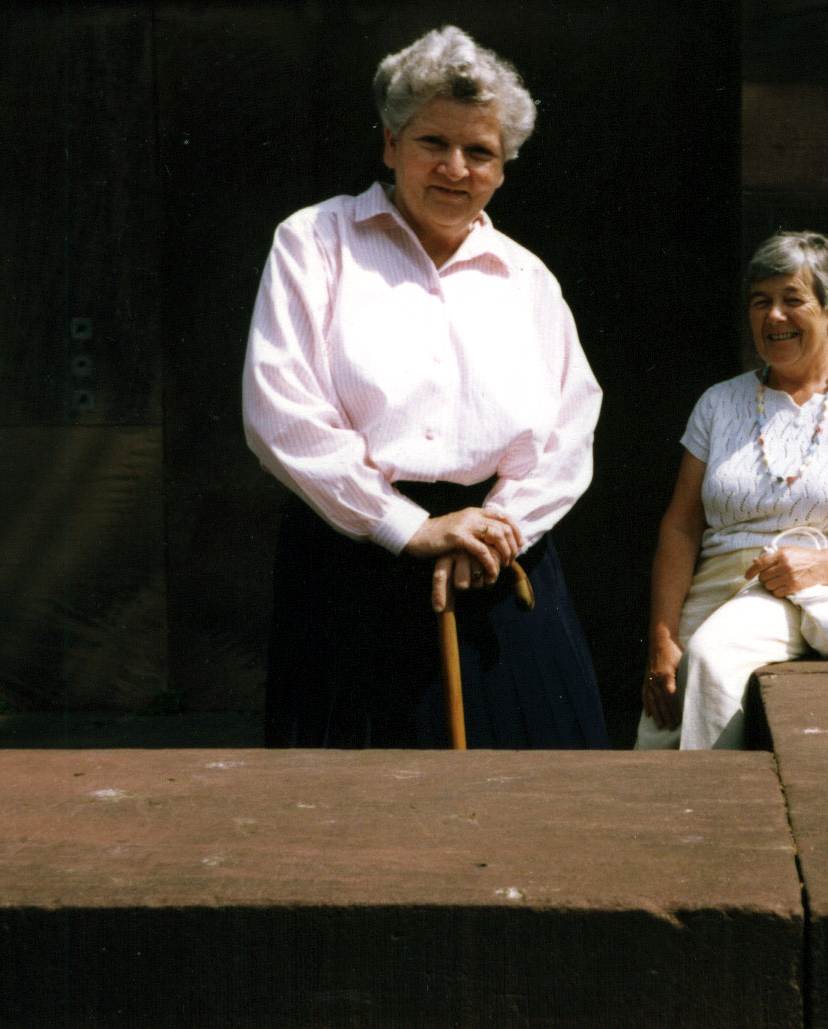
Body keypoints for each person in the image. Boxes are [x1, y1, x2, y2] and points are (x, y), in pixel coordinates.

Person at [242, 26, 606, 750]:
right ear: (389, 143)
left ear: (503, 168)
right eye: (432, 142)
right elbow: (280, 413)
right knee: (358, 795)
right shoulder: (314, 243)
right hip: (356, 555)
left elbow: (570, 430)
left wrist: (497, 528)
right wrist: (408, 527)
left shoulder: (527, 277)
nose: (455, 168)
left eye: (480, 152)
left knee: (536, 787)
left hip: (500, 557)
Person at [635, 231, 828, 750]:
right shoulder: (718, 403)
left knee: (713, 660)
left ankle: (715, 799)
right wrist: (662, 638)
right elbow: (680, 527)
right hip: (717, 586)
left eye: (793, 299)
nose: (774, 316)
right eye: (760, 301)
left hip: (820, 589)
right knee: (663, 722)